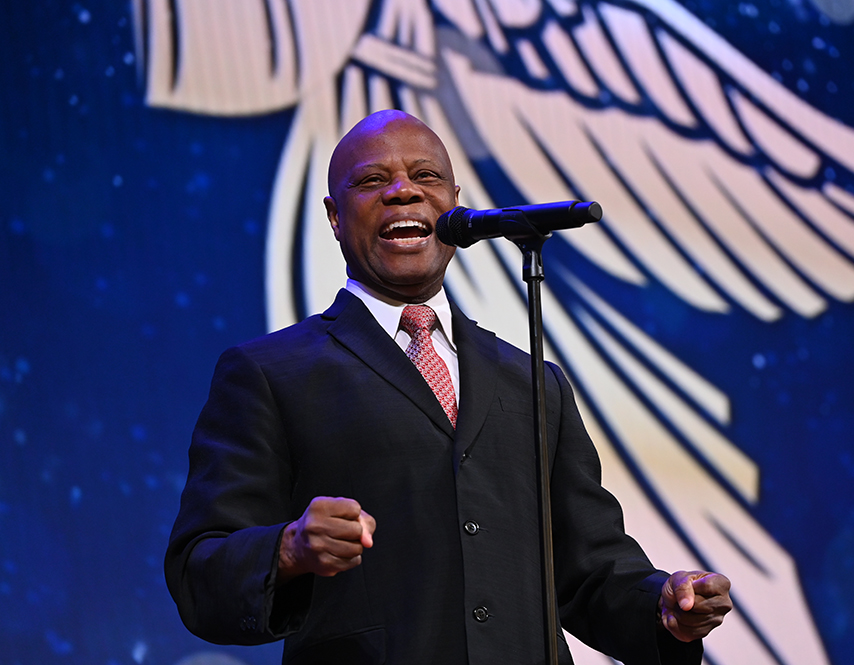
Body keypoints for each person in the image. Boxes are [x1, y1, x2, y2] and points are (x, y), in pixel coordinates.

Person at [165, 109, 732, 664]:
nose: (403, 192)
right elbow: (199, 569)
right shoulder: (269, 373)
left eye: (426, 176)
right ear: (335, 217)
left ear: (455, 202)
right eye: (372, 180)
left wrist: (663, 607)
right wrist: (288, 548)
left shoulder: (534, 382)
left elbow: (589, 569)